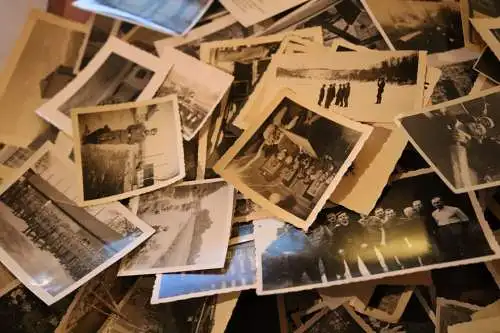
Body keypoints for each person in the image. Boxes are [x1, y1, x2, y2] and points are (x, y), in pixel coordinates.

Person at [330, 212, 364, 278]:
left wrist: (363, 242)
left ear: (347, 217)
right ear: (338, 220)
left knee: (370, 263)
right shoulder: (336, 230)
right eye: (340, 217)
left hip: (360, 246)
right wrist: (339, 249)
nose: (343, 218)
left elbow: (363, 233)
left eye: (344, 216)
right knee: (353, 268)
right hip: (348, 250)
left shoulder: (356, 224)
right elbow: (334, 242)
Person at [82, 123, 156, 145]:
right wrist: (128, 132)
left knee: (103, 142)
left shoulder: (142, 139)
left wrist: (130, 137)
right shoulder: (142, 126)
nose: (149, 132)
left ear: (151, 135)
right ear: (150, 129)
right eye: (151, 131)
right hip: (121, 132)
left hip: (121, 140)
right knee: (104, 135)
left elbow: (131, 143)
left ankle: (87, 140)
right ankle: (87, 139)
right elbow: (130, 126)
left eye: (151, 133)